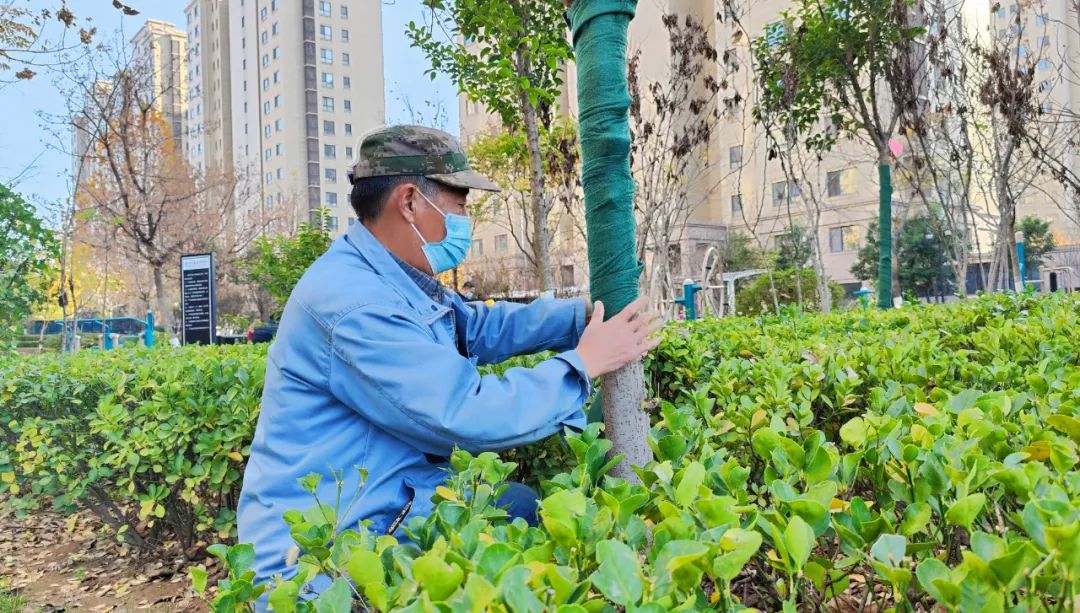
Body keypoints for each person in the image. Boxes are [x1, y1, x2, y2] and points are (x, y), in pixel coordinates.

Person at [236, 125, 660, 602]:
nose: (465, 221)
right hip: (322, 561)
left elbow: (473, 326)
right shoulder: (354, 302)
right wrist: (581, 364)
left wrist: (578, 317)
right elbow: (462, 413)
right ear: (411, 201)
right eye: (459, 205)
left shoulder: (386, 273)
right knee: (536, 532)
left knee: (518, 505)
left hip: (383, 494)